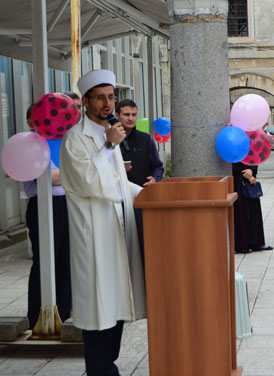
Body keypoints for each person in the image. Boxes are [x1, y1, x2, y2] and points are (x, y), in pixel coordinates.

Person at [60, 69, 146, 375]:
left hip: (119, 229)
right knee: (98, 301)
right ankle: (101, 369)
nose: (107, 103)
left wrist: (149, 193)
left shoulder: (110, 133)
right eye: (100, 98)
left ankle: (108, 364)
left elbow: (117, 181)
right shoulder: (75, 138)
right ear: (85, 101)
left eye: (111, 97)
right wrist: (108, 146)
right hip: (94, 232)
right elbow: (86, 181)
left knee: (117, 300)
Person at [23, 104, 72, 330]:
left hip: (66, 204)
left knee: (65, 259)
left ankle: (64, 310)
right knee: (44, 260)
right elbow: (44, 178)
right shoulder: (28, 144)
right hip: (43, 205)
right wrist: (70, 175)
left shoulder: (61, 141)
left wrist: (68, 175)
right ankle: (36, 316)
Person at [117, 99, 164, 266]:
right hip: (116, 200)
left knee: (141, 242)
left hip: (141, 199)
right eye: (126, 114)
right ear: (117, 116)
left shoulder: (145, 139)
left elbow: (158, 167)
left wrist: (155, 179)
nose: (130, 118)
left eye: (134, 115)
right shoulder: (110, 140)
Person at [232, 161, 273, 253]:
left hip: (250, 180)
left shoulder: (249, 146)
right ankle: (241, 244)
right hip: (237, 182)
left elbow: (254, 158)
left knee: (254, 211)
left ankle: (256, 243)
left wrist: (251, 170)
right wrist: (246, 174)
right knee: (241, 212)